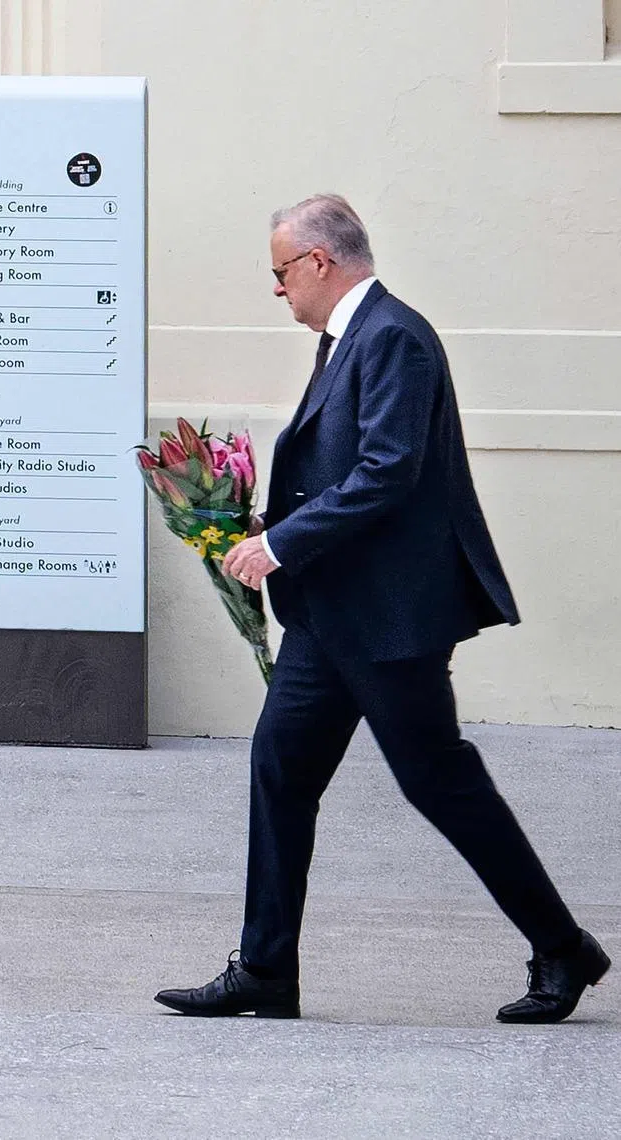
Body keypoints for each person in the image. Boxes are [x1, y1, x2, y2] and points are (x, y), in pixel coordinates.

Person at [154, 194, 609, 1024]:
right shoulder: (350, 338)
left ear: (320, 263)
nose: (279, 292)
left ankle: (563, 947)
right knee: (280, 771)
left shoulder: (393, 336)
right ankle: (265, 970)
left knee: (441, 783)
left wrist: (282, 545)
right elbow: (345, 469)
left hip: (388, 619)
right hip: (332, 615)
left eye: (281, 273)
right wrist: (268, 524)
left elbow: (388, 470)